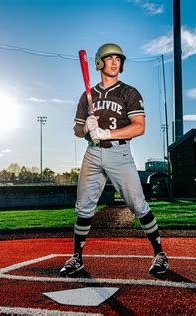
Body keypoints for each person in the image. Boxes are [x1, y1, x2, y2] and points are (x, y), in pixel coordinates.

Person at [59, 43, 168, 277]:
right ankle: (77, 257)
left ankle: (159, 254)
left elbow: (139, 127)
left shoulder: (129, 92)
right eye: (110, 58)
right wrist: (85, 128)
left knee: (138, 205)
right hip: (93, 153)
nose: (115, 62)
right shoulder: (88, 95)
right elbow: (76, 130)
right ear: (99, 62)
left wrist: (107, 133)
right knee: (84, 208)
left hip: (119, 153)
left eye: (118, 58)